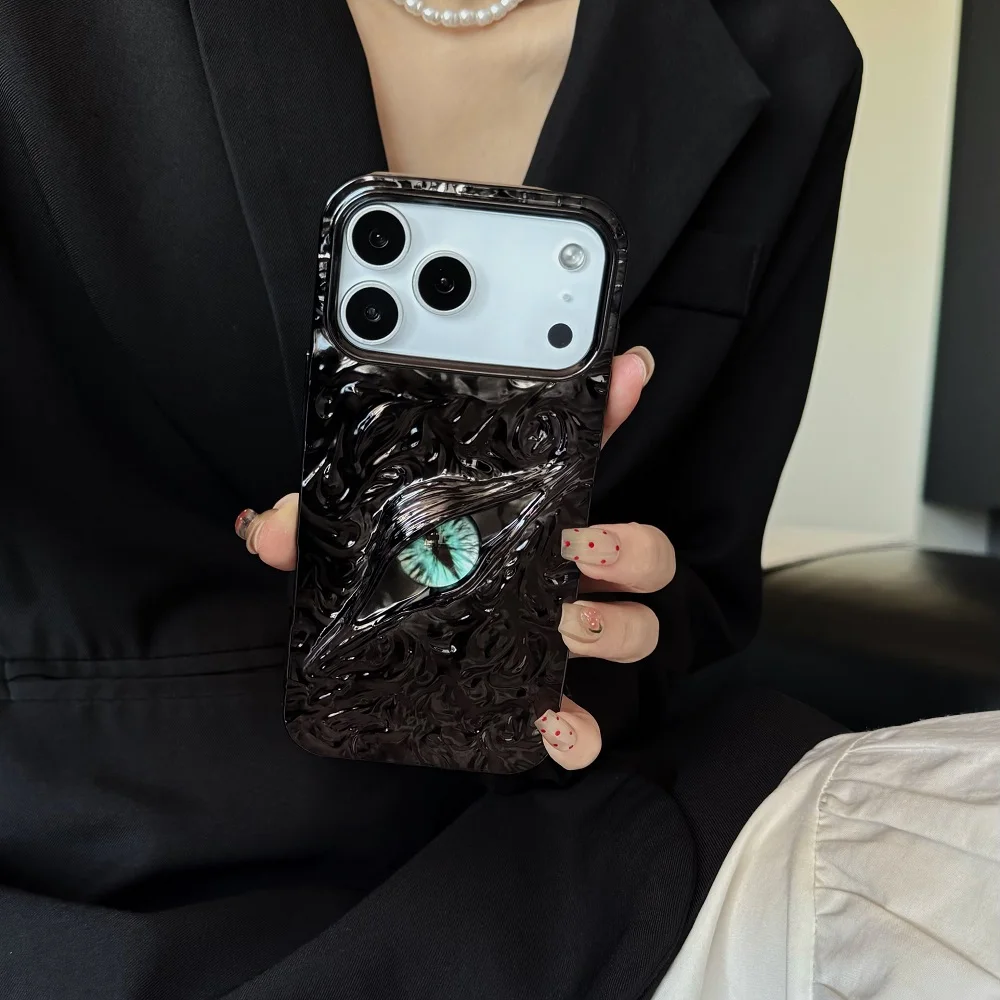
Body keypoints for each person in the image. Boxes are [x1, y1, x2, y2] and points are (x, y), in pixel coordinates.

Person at [0, 0, 861, 997]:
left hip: (546, 853)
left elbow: (702, 580)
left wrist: (600, 621)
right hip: (87, 861)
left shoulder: (784, 52)